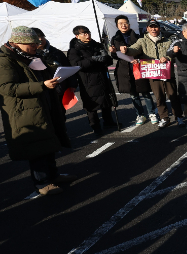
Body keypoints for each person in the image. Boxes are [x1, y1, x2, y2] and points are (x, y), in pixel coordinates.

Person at [0, 26, 76, 195]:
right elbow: (6, 88)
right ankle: (42, 182)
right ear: (16, 42)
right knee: (37, 148)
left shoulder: (30, 56)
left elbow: (42, 73)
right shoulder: (5, 59)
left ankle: (53, 175)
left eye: (36, 43)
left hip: (43, 104)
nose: (35, 46)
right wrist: (41, 85)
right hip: (25, 110)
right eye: (31, 43)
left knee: (48, 142)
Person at [123, 19, 183, 129]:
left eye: (155, 27)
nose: (153, 29)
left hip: (168, 73)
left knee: (173, 96)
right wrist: (126, 50)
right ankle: (164, 118)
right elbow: (134, 49)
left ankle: (179, 116)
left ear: (159, 28)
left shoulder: (167, 41)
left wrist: (168, 57)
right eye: (151, 27)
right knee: (159, 97)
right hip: (153, 73)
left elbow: (172, 54)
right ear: (147, 29)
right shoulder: (142, 41)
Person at [67, 25, 118, 136]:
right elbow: (76, 65)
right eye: (84, 33)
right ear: (77, 36)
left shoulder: (97, 45)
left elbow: (108, 61)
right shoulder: (74, 50)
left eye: (88, 32)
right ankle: (95, 125)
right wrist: (92, 59)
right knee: (91, 103)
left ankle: (108, 121)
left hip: (102, 76)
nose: (87, 35)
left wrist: (105, 56)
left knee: (106, 99)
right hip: (87, 80)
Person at [108, 15, 157, 126]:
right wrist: (113, 52)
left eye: (125, 23)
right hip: (125, 70)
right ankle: (140, 114)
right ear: (117, 26)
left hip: (138, 67)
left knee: (145, 92)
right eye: (121, 23)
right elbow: (116, 57)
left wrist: (136, 57)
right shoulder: (115, 39)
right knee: (133, 94)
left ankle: (152, 113)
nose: (123, 25)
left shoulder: (138, 36)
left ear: (129, 25)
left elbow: (143, 51)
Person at [32, 27, 78, 100]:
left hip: (60, 88)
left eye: (42, 36)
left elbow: (68, 68)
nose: (40, 39)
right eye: (37, 37)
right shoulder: (29, 55)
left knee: (60, 110)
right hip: (42, 90)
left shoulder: (56, 52)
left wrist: (72, 84)